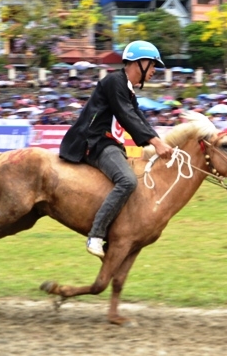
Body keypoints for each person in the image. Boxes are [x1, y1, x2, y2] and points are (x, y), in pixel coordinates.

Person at [59, 40, 174, 259]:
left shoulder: (126, 88)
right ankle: (96, 234)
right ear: (139, 63)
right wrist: (155, 143)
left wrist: (159, 140)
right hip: (95, 143)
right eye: (152, 65)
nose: (153, 71)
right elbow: (126, 115)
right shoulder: (114, 81)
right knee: (128, 181)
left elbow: (137, 116)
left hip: (109, 144)